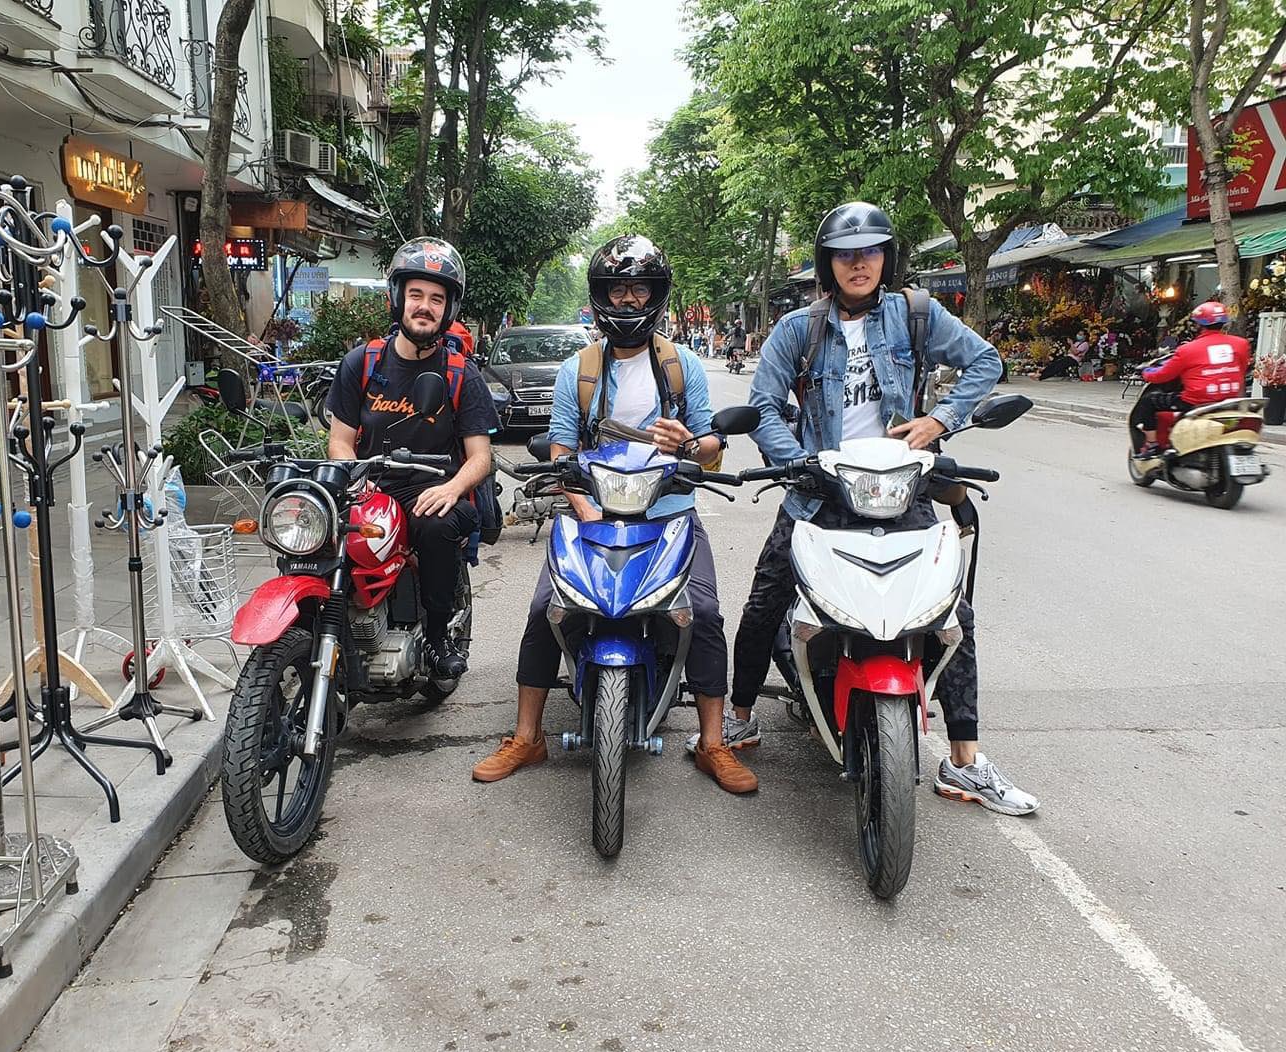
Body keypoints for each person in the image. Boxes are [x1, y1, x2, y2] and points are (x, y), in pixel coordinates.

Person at [730, 201, 1039, 815]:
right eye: (845, 254)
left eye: (869, 252)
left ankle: (965, 761)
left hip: (903, 489)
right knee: (766, 599)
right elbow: (763, 403)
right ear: (828, 265)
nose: (858, 263)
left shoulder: (917, 316)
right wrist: (801, 460)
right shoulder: (798, 328)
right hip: (819, 492)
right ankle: (738, 718)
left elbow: (985, 362)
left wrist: (940, 419)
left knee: (951, 614)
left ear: (886, 259)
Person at [471, 234, 757, 795]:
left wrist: (691, 444)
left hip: (669, 512)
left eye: (638, 289)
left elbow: (712, 445)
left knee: (702, 610)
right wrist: (580, 507)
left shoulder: (683, 366)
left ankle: (713, 743)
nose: (628, 301)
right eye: (617, 289)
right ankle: (527, 735)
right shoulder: (576, 370)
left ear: (655, 294)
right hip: (589, 513)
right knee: (544, 608)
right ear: (602, 296)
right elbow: (559, 448)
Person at [324, 237, 497, 678]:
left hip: (435, 490)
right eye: (416, 295)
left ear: (448, 309)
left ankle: (437, 637)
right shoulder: (361, 363)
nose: (425, 306)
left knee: (436, 526)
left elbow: (481, 457)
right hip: (371, 488)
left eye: (436, 299)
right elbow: (340, 440)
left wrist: (453, 486)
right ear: (397, 299)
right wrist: (352, 477)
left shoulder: (461, 374)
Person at [1129, 300, 1250, 457]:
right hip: (1230, 399)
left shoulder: (1187, 349)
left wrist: (1146, 373)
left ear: (1198, 325)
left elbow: (1163, 375)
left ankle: (1152, 445)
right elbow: (1242, 368)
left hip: (1196, 401)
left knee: (1148, 401)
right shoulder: (1241, 344)